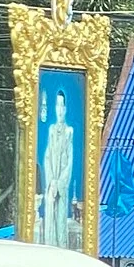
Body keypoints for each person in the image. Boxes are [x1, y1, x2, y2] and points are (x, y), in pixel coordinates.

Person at [41, 89, 75, 248]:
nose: (60, 110)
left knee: (61, 219)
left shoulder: (69, 132)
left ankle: (61, 249)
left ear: (65, 109)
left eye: (62, 106)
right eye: (57, 106)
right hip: (52, 182)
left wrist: (59, 183)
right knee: (49, 215)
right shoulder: (51, 130)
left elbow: (69, 160)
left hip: (62, 183)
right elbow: (47, 157)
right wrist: (51, 182)